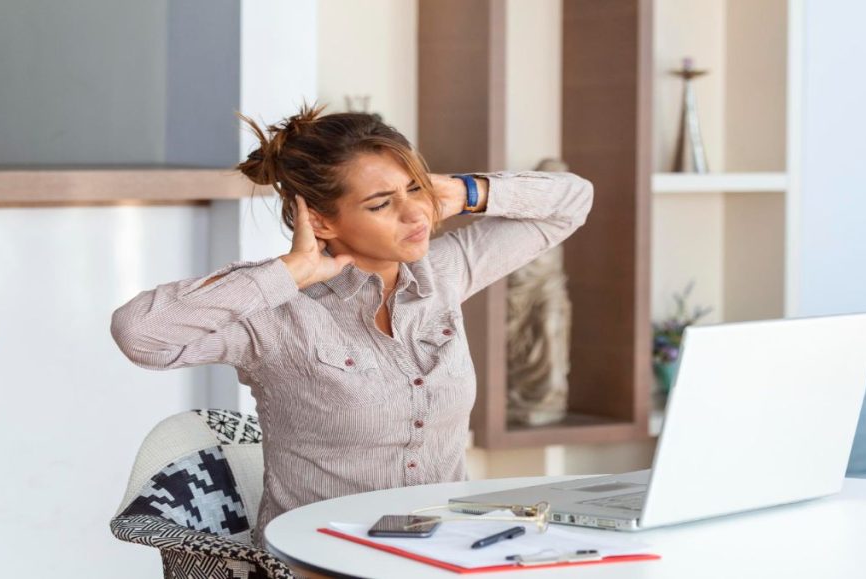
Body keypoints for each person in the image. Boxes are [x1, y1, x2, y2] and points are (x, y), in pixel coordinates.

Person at [110, 103, 594, 546]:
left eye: (414, 189)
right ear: (321, 221)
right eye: (381, 204)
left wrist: (460, 192)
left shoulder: (441, 273)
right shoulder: (276, 316)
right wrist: (290, 271)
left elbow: (573, 201)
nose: (414, 214)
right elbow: (140, 333)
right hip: (318, 562)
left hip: (442, 554)